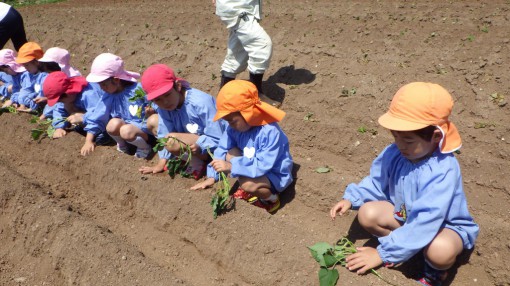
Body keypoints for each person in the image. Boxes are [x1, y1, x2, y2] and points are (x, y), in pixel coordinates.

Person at [329, 82, 479, 286]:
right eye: (395, 136)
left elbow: (427, 219)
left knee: (439, 251)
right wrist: (352, 198)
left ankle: (434, 273)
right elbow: (376, 181)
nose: (399, 145)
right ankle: (410, 248)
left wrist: (382, 253)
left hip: (442, 227)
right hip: (406, 215)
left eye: (408, 141)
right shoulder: (395, 152)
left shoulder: (443, 169)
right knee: (367, 213)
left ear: (435, 137)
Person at [191, 80, 293, 213]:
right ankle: (250, 182)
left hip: (274, 173)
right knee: (228, 152)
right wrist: (212, 176)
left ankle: (271, 199)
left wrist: (232, 167)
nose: (230, 125)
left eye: (232, 121)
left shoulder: (270, 132)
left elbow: (263, 165)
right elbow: (222, 148)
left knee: (247, 184)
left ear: (248, 112)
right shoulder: (233, 129)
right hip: (251, 165)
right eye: (227, 121)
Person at [139, 64, 227, 179]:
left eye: (167, 95)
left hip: (216, 147)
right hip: (192, 141)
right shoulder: (164, 108)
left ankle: (198, 163)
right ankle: (192, 160)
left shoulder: (200, 103)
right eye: (158, 99)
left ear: (178, 86)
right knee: (154, 123)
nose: (165, 102)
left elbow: (218, 137)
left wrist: (201, 146)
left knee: (171, 140)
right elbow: (163, 132)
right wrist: (161, 163)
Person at [86, 53, 153, 159]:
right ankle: (123, 145)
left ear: (116, 80)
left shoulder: (138, 90)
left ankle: (145, 147)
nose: (102, 88)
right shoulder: (108, 95)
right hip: (126, 131)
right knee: (112, 124)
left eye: (104, 84)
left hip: (144, 131)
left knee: (126, 131)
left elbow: (155, 104)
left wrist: (151, 111)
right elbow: (98, 116)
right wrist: (88, 140)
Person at [213, 0, 275, 103]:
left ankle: (223, 96)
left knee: (237, 51)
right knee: (261, 44)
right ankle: (255, 94)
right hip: (235, 7)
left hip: (241, 6)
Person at [42, 71, 111, 155]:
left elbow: (99, 115)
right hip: (91, 117)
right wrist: (59, 127)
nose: (59, 102)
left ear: (67, 93)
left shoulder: (88, 94)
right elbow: (59, 109)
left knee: (101, 136)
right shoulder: (67, 98)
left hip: (106, 118)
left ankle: (101, 134)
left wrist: (88, 140)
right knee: (68, 107)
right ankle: (86, 129)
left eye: (60, 100)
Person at [12, 42, 47, 112]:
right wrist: (21, 104)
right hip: (32, 99)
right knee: (20, 95)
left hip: (43, 101)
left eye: (27, 65)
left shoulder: (45, 76)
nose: (25, 68)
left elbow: (41, 94)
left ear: (36, 62)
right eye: (23, 65)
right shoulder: (28, 75)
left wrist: (32, 107)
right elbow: (25, 89)